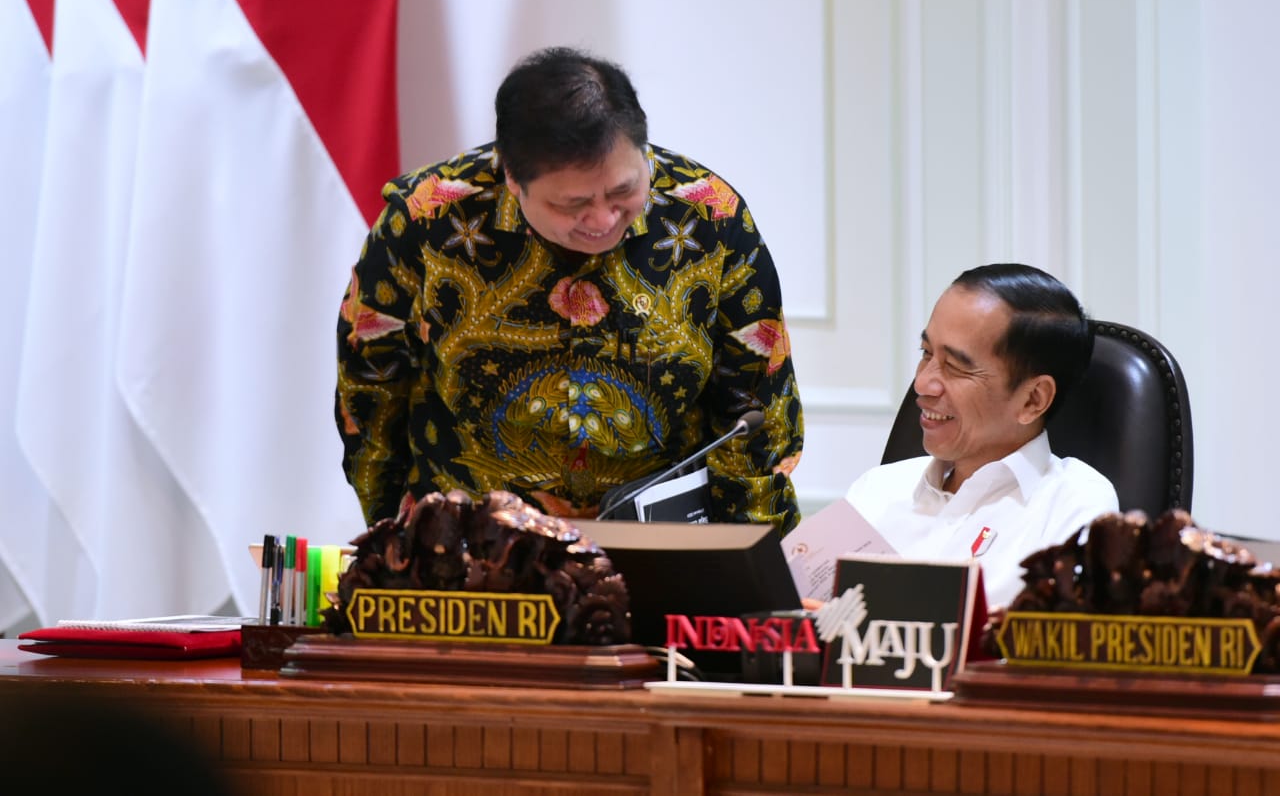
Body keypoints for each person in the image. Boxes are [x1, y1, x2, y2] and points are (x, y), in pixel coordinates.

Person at [335, 47, 804, 532]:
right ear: (513, 178)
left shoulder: (709, 218)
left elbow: (756, 411)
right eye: (573, 203)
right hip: (474, 550)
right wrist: (394, 540)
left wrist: (753, 566)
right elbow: (369, 393)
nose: (603, 220)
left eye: (623, 191)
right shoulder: (427, 219)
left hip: (659, 547)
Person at [844, 263, 1118, 607]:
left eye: (956, 367)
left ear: (1033, 400)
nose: (922, 384)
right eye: (926, 353)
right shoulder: (875, 491)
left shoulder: (1073, 508)